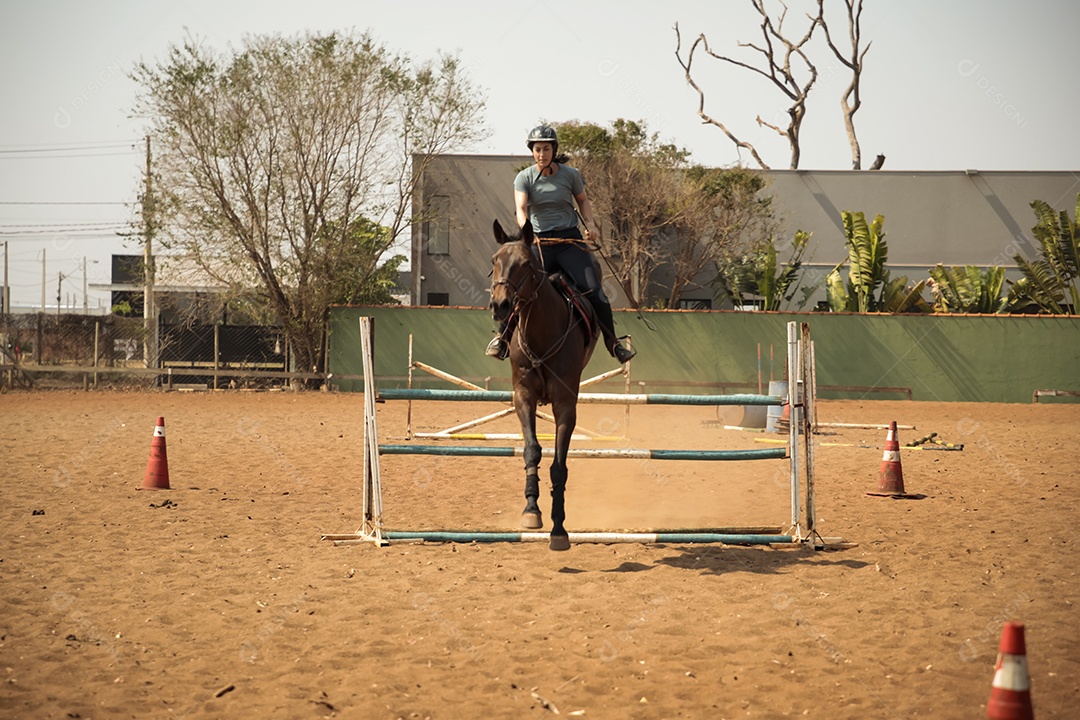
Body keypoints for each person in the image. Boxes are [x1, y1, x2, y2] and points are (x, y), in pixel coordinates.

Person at [486, 125, 636, 364]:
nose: (542, 154)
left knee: (594, 290)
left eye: (546, 148)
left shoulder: (570, 175)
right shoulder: (523, 178)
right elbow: (521, 209)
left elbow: (583, 201)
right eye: (537, 149)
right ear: (532, 151)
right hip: (539, 242)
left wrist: (591, 224)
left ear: (554, 150)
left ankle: (614, 344)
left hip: (570, 242)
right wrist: (528, 233)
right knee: (517, 285)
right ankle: (502, 338)